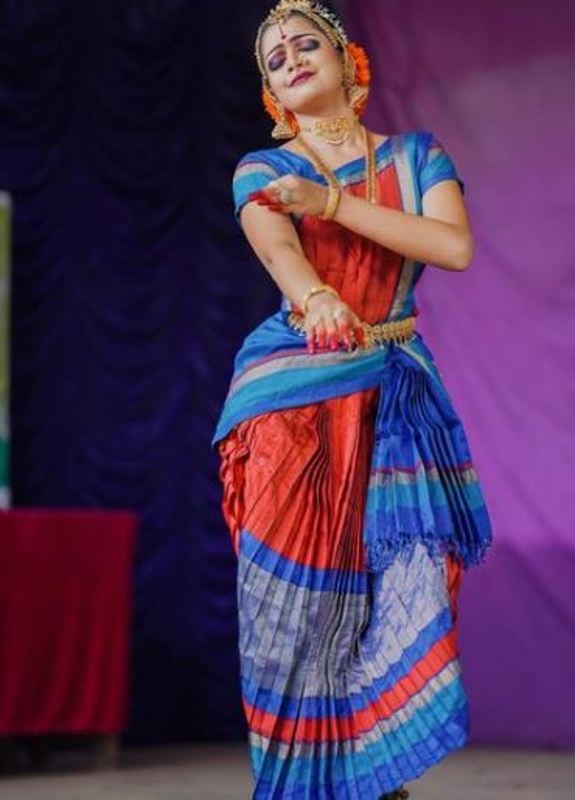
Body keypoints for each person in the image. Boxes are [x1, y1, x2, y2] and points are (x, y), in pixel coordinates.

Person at [212, 2, 494, 798]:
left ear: (347, 62)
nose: (292, 59)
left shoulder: (415, 158)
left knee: (393, 594)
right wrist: (317, 298)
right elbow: (279, 252)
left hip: (393, 399)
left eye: (306, 44)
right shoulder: (262, 171)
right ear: (271, 94)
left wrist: (331, 204)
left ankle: (375, 779)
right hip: (292, 403)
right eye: (274, 58)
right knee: (292, 606)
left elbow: (452, 246)